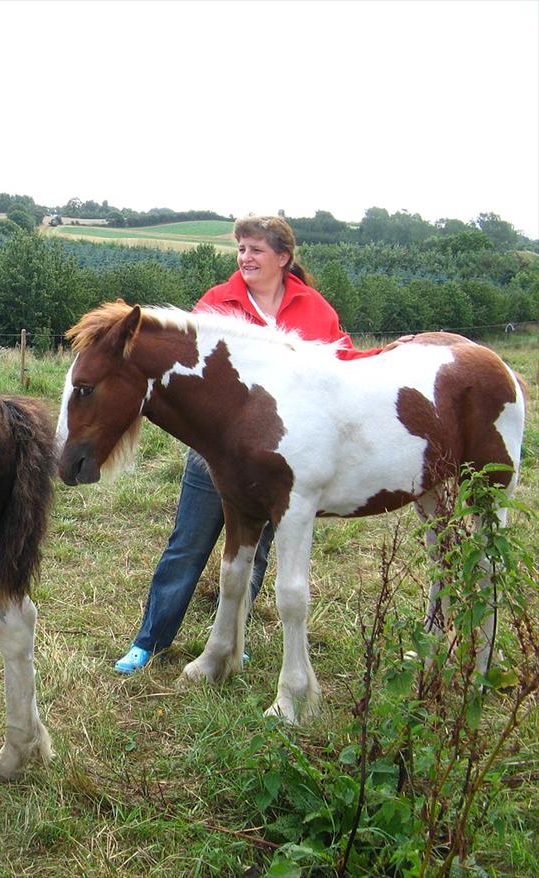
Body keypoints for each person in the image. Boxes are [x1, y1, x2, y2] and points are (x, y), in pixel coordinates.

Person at [114, 214, 380, 674]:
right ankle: (149, 640)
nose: (245, 257)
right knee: (187, 545)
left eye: (256, 249)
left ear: (283, 257)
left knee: (252, 551)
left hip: (277, 460)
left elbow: (343, 365)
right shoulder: (218, 303)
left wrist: (389, 362)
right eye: (241, 249)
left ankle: (229, 640)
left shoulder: (315, 309)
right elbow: (184, 366)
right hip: (213, 457)